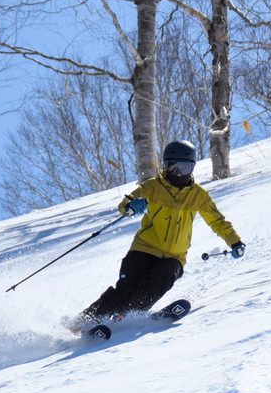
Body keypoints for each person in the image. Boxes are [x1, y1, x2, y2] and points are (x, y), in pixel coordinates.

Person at [74, 140, 245, 327]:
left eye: (185, 168)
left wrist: (235, 242)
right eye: (174, 167)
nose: (179, 173)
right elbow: (126, 203)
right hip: (144, 249)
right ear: (165, 166)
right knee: (125, 289)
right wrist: (131, 206)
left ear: (193, 168)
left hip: (175, 256)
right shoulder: (152, 187)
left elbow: (217, 221)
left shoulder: (199, 195)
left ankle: (129, 315)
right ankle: (82, 323)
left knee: (162, 279)